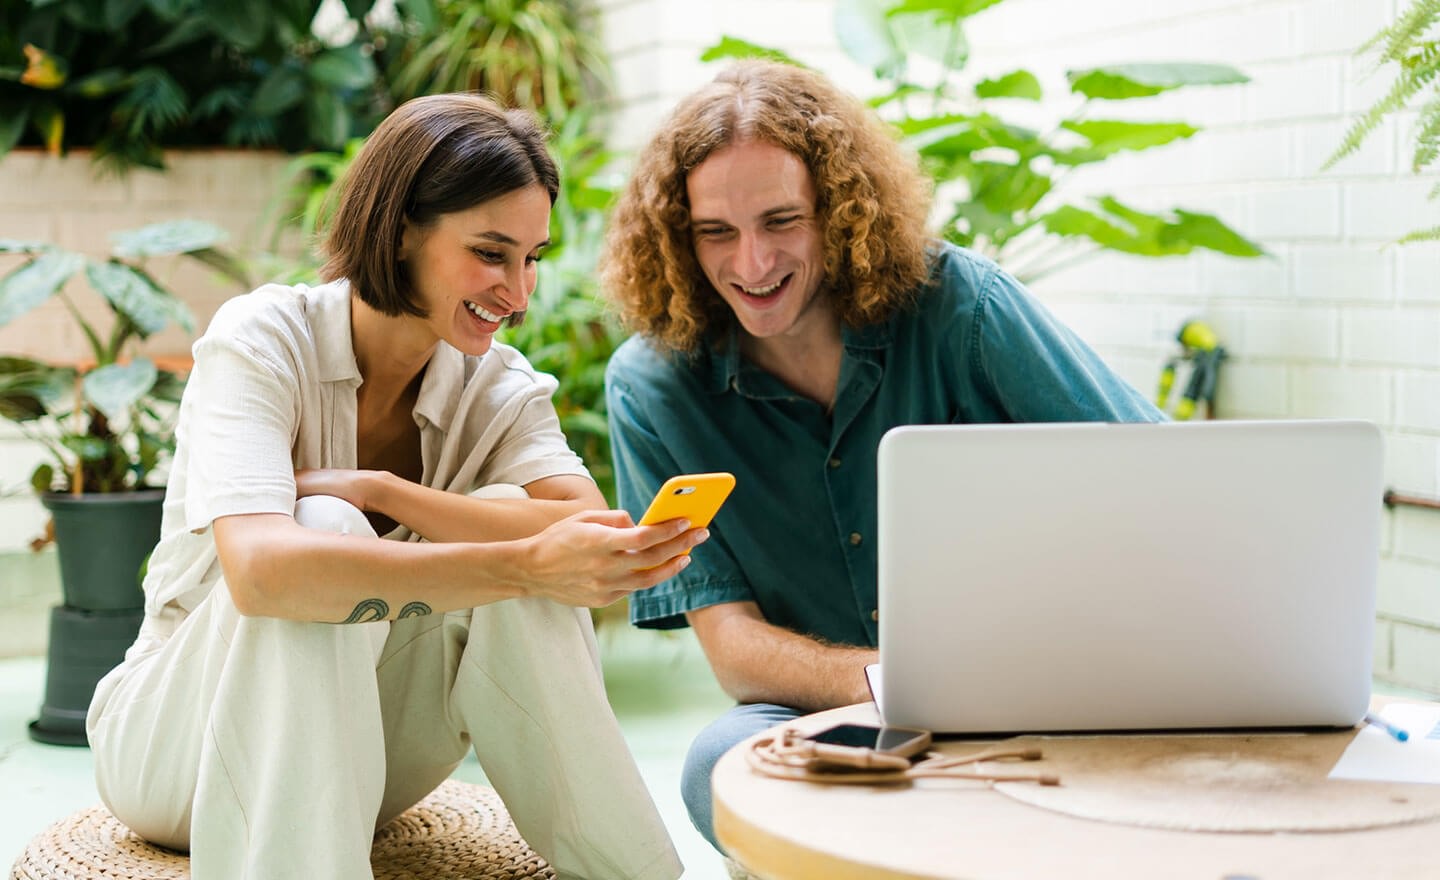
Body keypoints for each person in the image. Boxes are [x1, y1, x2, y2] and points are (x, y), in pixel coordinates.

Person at [86, 94, 695, 880]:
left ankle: (635, 875)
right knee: (328, 530)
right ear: (403, 227)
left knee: (516, 521)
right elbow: (265, 572)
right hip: (176, 748)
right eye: (490, 252)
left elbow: (583, 527)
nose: (517, 290)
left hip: (365, 758)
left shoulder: (495, 384)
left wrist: (386, 491)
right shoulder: (262, 338)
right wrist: (517, 562)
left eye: (533, 257)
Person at [600, 59, 1164, 850]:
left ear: (837, 209)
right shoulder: (653, 387)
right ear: (678, 238)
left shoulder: (960, 306)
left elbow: (1152, 472)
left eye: (781, 221)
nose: (752, 264)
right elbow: (732, 644)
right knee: (717, 768)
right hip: (827, 712)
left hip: (1029, 680)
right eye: (716, 233)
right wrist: (894, 682)